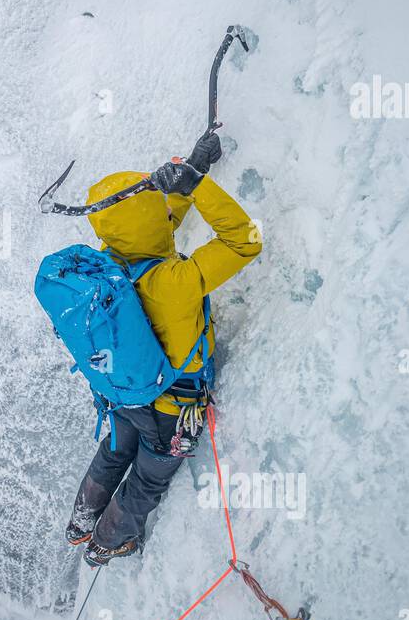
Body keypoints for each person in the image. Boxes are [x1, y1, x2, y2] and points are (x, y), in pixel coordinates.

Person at [66, 129, 262, 566]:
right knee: (149, 477)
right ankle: (108, 540)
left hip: (125, 395)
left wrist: (194, 170)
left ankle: (82, 522)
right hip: (170, 408)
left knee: (116, 451)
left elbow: (152, 226)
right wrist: (198, 185)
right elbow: (244, 239)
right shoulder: (174, 283)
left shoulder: (109, 262)